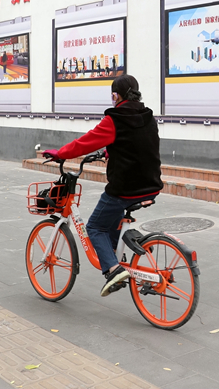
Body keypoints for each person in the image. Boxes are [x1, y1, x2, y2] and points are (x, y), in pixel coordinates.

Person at [44, 74, 163, 296]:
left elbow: (84, 143)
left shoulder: (115, 119)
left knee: (95, 227)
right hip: (151, 185)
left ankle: (113, 270)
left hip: (126, 189)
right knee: (112, 218)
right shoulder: (148, 116)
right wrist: (111, 150)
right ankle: (118, 255)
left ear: (116, 96)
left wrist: (60, 153)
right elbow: (138, 143)